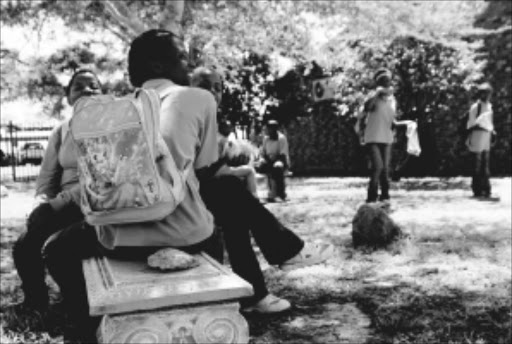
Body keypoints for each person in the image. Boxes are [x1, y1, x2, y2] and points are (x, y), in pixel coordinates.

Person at [43, 30, 331, 342]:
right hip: (187, 235)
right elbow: (204, 167)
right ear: (157, 65)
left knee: (55, 250)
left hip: (117, 238)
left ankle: (85, 327)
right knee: (227, 192)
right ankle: (280, 259)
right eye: (182, 56)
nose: (189, 63)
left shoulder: (117, 110)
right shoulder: (198, 98)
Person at [12, 69, 102, 314]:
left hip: (96, 204)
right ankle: (35, 301)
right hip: (63, 205)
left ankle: (75, 303)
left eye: (93, 86)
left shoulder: (112, 127)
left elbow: (103, 179)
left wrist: (55, 206)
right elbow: (47, 179)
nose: (87, 90)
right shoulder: (61, 131)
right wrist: (40, 206)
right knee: (24, 244)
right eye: (79, 87)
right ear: (69, 97)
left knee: (60, 247)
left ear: (102, 94)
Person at [190, 67, 258, 198]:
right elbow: (200, 172)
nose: (212, 91)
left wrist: (233, 160)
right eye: (204, 86)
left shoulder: (214, 124)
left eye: (218, 88)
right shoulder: (188, 122)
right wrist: (225, 160)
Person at [355, 68, 411, 203]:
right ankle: (371, 196)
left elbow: (393, 121)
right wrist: (377, 94)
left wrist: (407, 123)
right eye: (384, 82)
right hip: (372, 137)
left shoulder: (392, 100)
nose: (387, 84)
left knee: (385, 169)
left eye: (388, 82)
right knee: (378, 166)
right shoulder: (373, 98)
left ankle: (385, 196)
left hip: (386, 137)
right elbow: (367, 108)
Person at [466, 82, 496, 199]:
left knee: (485, 165)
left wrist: (492, 131)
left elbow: (490, 123)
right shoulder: (475, 107)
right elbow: (471, 124)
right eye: (485, 93)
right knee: (476, 165)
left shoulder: (489, 106)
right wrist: (483, 126)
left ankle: (486, 189)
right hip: (477, 138)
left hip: (486, 139)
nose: (487, 96)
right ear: (481, 94)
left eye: (489, 93)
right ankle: (477, 189)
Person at [255, 120, 290, 202]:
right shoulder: (265, 139)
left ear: (276, 129)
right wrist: (262, 160)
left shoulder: (281, 138)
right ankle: (265, 194)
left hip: (281, 160)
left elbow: (283, 155)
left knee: (277, 167)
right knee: (258, 166)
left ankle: (280, 194)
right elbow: (263, 153)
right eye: (268, 128)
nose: (269, 130)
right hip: (269, 160)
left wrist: (273, 160)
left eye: (271, 128)